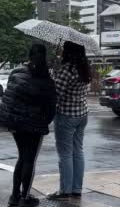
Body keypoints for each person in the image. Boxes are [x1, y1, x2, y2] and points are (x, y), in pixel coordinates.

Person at [0, 44, 57, 207]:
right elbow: (51, 107)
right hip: (34, 125)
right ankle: (25, 197)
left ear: (29, 56)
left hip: (15, 123)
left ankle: (15, 196)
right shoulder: (46, 79)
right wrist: (45, 121)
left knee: (22, 157)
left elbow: (10, 97)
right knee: (29, 159)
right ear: (44, 57)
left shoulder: (16, 72)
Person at [48, 41, 91, 201]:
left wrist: (53, 76)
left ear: (69, 52)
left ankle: (65, 191)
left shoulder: (67, 70)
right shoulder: (85, 69)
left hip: (66, 115)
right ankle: (76, 189)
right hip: (82, 114)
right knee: (78, 152)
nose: (62, 52)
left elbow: (55, 93)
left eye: (64, 50)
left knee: (65, 154)